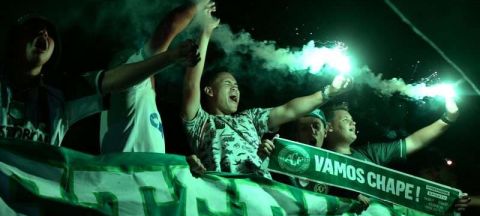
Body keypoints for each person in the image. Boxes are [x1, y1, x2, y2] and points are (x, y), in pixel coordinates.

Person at [181, 3, 352, 178]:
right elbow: (191, 84)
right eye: (228, 84)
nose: (235, 88)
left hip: (263, 195)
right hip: (225, 196)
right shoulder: (200, 122)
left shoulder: (250, 118)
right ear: (209, 91)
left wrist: (328, 92)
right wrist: (206, 32)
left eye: (237, 87)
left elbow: (289, 110)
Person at [0, 14, 198, 146]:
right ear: (15, 41)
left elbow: (112, 80)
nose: (43, 33)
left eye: (49, 33)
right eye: (34, 28)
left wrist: (171, 57)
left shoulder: (61, 94)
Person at [100, 1, 208, 154]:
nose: (150, 64)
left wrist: (206, 31)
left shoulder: (140, 104)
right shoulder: (133, 86)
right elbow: (168, 28)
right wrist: (198, 4)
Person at [322, 101, 462, 204]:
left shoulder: (369, 153)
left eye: (353, 120)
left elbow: (414, 142)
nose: (353, 123)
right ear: (329, 127)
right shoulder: (319, 162)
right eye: (346, 120)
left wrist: (447, 119)